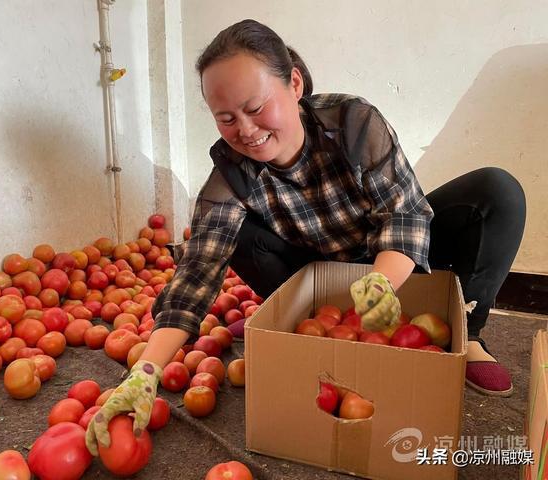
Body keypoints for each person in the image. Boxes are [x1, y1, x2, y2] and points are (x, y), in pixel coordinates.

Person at [85, 19, 526, 453]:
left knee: (496, 192)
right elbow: (198, 272)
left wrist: (381, 283)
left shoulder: (353, 122)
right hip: (317, 277)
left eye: (256, 108)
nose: (246, 130)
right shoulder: (231, 175)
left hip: (388, 260)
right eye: (226, 118)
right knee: (228, 233)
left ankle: (469, 338)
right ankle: (289, 320)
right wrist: (145, 371)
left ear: (294, 84)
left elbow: (404, 212)